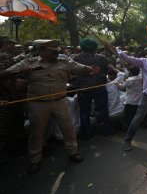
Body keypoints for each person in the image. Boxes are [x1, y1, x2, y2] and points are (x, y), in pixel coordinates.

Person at [0, 39, 100, 174]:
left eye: (57, 52)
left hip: (60, 101)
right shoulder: (28, 62)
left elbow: (81, 68)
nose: (55, 55)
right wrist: (21, 72)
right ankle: (35, 160)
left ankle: (73, 152)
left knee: (68, 128)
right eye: (52, 52)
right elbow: (4, 74)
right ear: (41, 51)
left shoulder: (65, 62)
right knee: (37, 133)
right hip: (38, 104)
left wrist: (91, 69)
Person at [73, 38, 113, 140]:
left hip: (83, 89)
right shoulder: (101, 58)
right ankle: (105, 129)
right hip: (98, 87)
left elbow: (73, 72)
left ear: (81, 47)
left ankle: (86, 133)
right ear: (95, 48)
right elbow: (106, 70)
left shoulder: (75, 59)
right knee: (103, 110)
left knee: (84, 112)